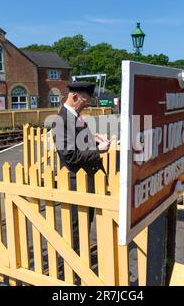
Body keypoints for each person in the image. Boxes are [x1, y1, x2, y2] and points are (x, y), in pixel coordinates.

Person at [52, 82, 110, 251]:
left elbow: (79, 143)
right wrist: (98, 150)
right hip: (76, 182)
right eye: (85, 102)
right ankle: (76, 262)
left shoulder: (74, 116)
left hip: (87, 180)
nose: (86, 106)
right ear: (75, 97)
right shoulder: (60, 121)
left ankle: (81, 256)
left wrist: (95, 139)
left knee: (86, 222)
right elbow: (70, 155)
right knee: (77, 225)